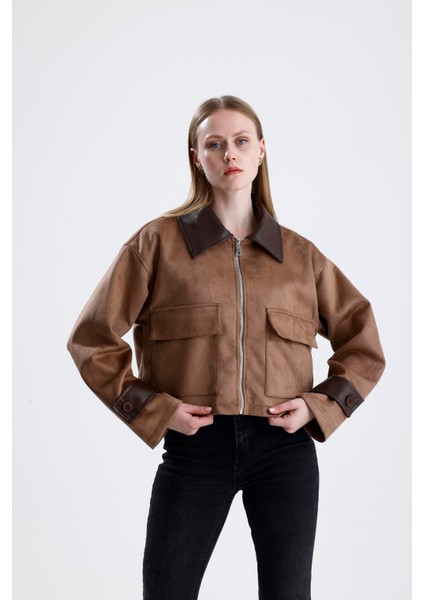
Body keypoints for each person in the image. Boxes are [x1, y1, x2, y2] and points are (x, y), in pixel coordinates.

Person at [67, 95, 385, 600]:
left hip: (285, 451)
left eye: (240, 141)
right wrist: (156, 411)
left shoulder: (301, 257)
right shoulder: (157, 244)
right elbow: (91, 340)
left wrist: (319, 406)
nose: (229, 153)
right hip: (196, 448)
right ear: (197, 158)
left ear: (261, 150)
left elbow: (363, 341)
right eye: (214, 144)